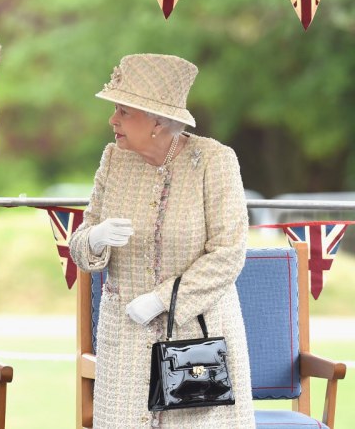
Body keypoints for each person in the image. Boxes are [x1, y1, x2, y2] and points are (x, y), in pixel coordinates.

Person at [69, 53, 255, 428]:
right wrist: (95, 239)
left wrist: (161, 299)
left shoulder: (214, 161)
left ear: (156, 121)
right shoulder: (113, 159)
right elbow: (80, 244)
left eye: (123, 111)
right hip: (126, 341)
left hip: (197, 339)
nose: (112, 120)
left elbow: (228, 254)